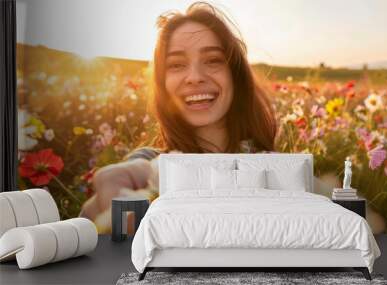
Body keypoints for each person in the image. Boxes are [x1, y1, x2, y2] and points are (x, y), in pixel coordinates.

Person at [79, 2, 277, 231]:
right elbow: (135, 178)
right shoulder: (150, 165)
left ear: (236, 75)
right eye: (176, 64)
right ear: (163, 85)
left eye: (213, 60)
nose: (194, 77)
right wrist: (94, 217)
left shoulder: (272, 166)